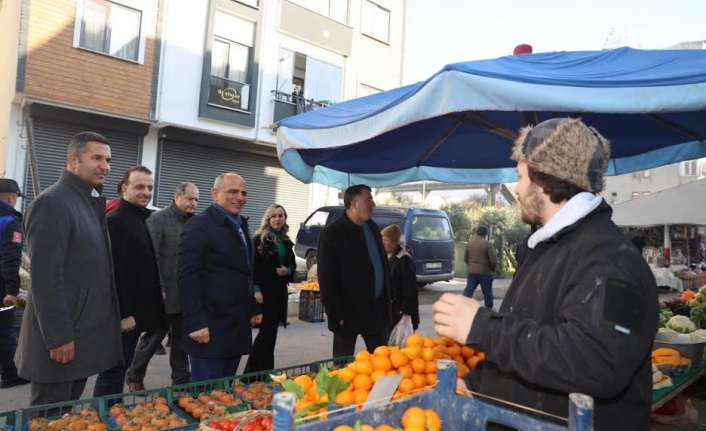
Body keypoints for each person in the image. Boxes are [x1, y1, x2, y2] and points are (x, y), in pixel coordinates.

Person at [432, 118, 658, 431]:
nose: (517, 187)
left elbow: (596, 362)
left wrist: (482, 327)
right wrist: (475, 384)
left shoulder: (610, 259)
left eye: (521, 176)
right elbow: (529, 339)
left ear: (544, 181)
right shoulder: (548, 247)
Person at [16, 132, 122, 406]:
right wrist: (59, 337)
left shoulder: (88, 201)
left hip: (80, 338)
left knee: (67, 417)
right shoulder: (52, 203)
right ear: (73, 160)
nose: (105, 166)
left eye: (108, 160)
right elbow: (45, 279)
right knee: (49, 420)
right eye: (96, 158)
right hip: (60, 343)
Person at [179, 173, 262, 381]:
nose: (240, 197)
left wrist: (252, 307)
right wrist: (195, 322)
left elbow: (243, 271)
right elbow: (186, 276)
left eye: (244, 193)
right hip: (209, 328)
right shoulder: (199, 225)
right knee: (206, 399)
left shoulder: (240, 224)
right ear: (215, 194)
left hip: (234, 327)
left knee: (225, 393)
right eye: (232, 192)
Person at [94, 166, 165, 397]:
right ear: (124, 188)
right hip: (124, 316)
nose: (146, 192)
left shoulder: (139, 217)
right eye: (139, 187)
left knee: (120, 367)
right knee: (114, 369)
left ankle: (111, 413)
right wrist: (123, 314)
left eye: (149, 187)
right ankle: (104, 417)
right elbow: (113, 272)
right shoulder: (117, 220)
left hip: (136, 314)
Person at [126, 182, 199, 389]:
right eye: (190, 199)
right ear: (177, 197)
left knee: (181, 341)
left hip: (185, 293)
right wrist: (159, 288)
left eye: (196, 200)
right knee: (154, 336)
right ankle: (134, 376)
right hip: (163, 293)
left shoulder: (194, 222)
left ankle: (181, 382)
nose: (193, 203)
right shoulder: (158, 219)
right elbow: (151, 256)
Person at [317, 184, 392, 358]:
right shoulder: (331, 234)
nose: (373, 204)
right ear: (354, 203)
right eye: (369, 199)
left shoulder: (372, 228)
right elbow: (327, 278)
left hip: (376, 312)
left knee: (382, 363)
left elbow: (382, 265)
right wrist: (335, 312)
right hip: (347, 314)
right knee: (343, 368)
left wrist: (390, 301)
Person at [244, 204, 296, 373]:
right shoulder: (259, 238)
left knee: (271, 333)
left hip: (278, 292)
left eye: (281, 215)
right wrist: (256, 290)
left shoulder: (286, 240)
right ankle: (251, 375)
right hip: (264, 293)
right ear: (268, 219)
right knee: (266, 333)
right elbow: (253, 267)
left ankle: (265, 371)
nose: (278, 219)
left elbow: (292, 264)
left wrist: (286, 270)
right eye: (274, 216)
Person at [0, 179, 29, 389]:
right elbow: (10, 259)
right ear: (11, 197)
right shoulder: (9, 220)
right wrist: (11, 291)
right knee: (4, 331)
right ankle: (10, 374)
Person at [380, 225, 419, 331]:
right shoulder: (383, 257)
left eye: (386, 240)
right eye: (382, 239)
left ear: (394, 242)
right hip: (388, 312)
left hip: (399, 312)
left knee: (399, 345)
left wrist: (404, 310)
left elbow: (411, 288)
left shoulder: (404, 260)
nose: (383, 243)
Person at [462, 226, 498, 308]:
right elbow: (493, 260)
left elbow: (465, 258)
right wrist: (493, 268)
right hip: (485, 273)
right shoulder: (488, 244)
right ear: (486, 234)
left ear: (477, 233)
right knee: (487, 293)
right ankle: (488, 310)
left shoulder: (469, 243)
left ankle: (463, 306)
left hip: (472, 272)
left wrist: (471, 265)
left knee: (468, 290)